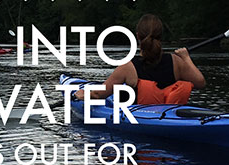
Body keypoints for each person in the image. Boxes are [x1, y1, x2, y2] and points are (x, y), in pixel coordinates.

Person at [74, 14, 205, 104]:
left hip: (140, 119)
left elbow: (99, 94)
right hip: (169, 115)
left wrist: (82, 94)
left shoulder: (127, 67)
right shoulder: (176, 62)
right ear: (161, 36)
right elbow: (200, 83)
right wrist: (186, 58)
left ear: (137, 36)